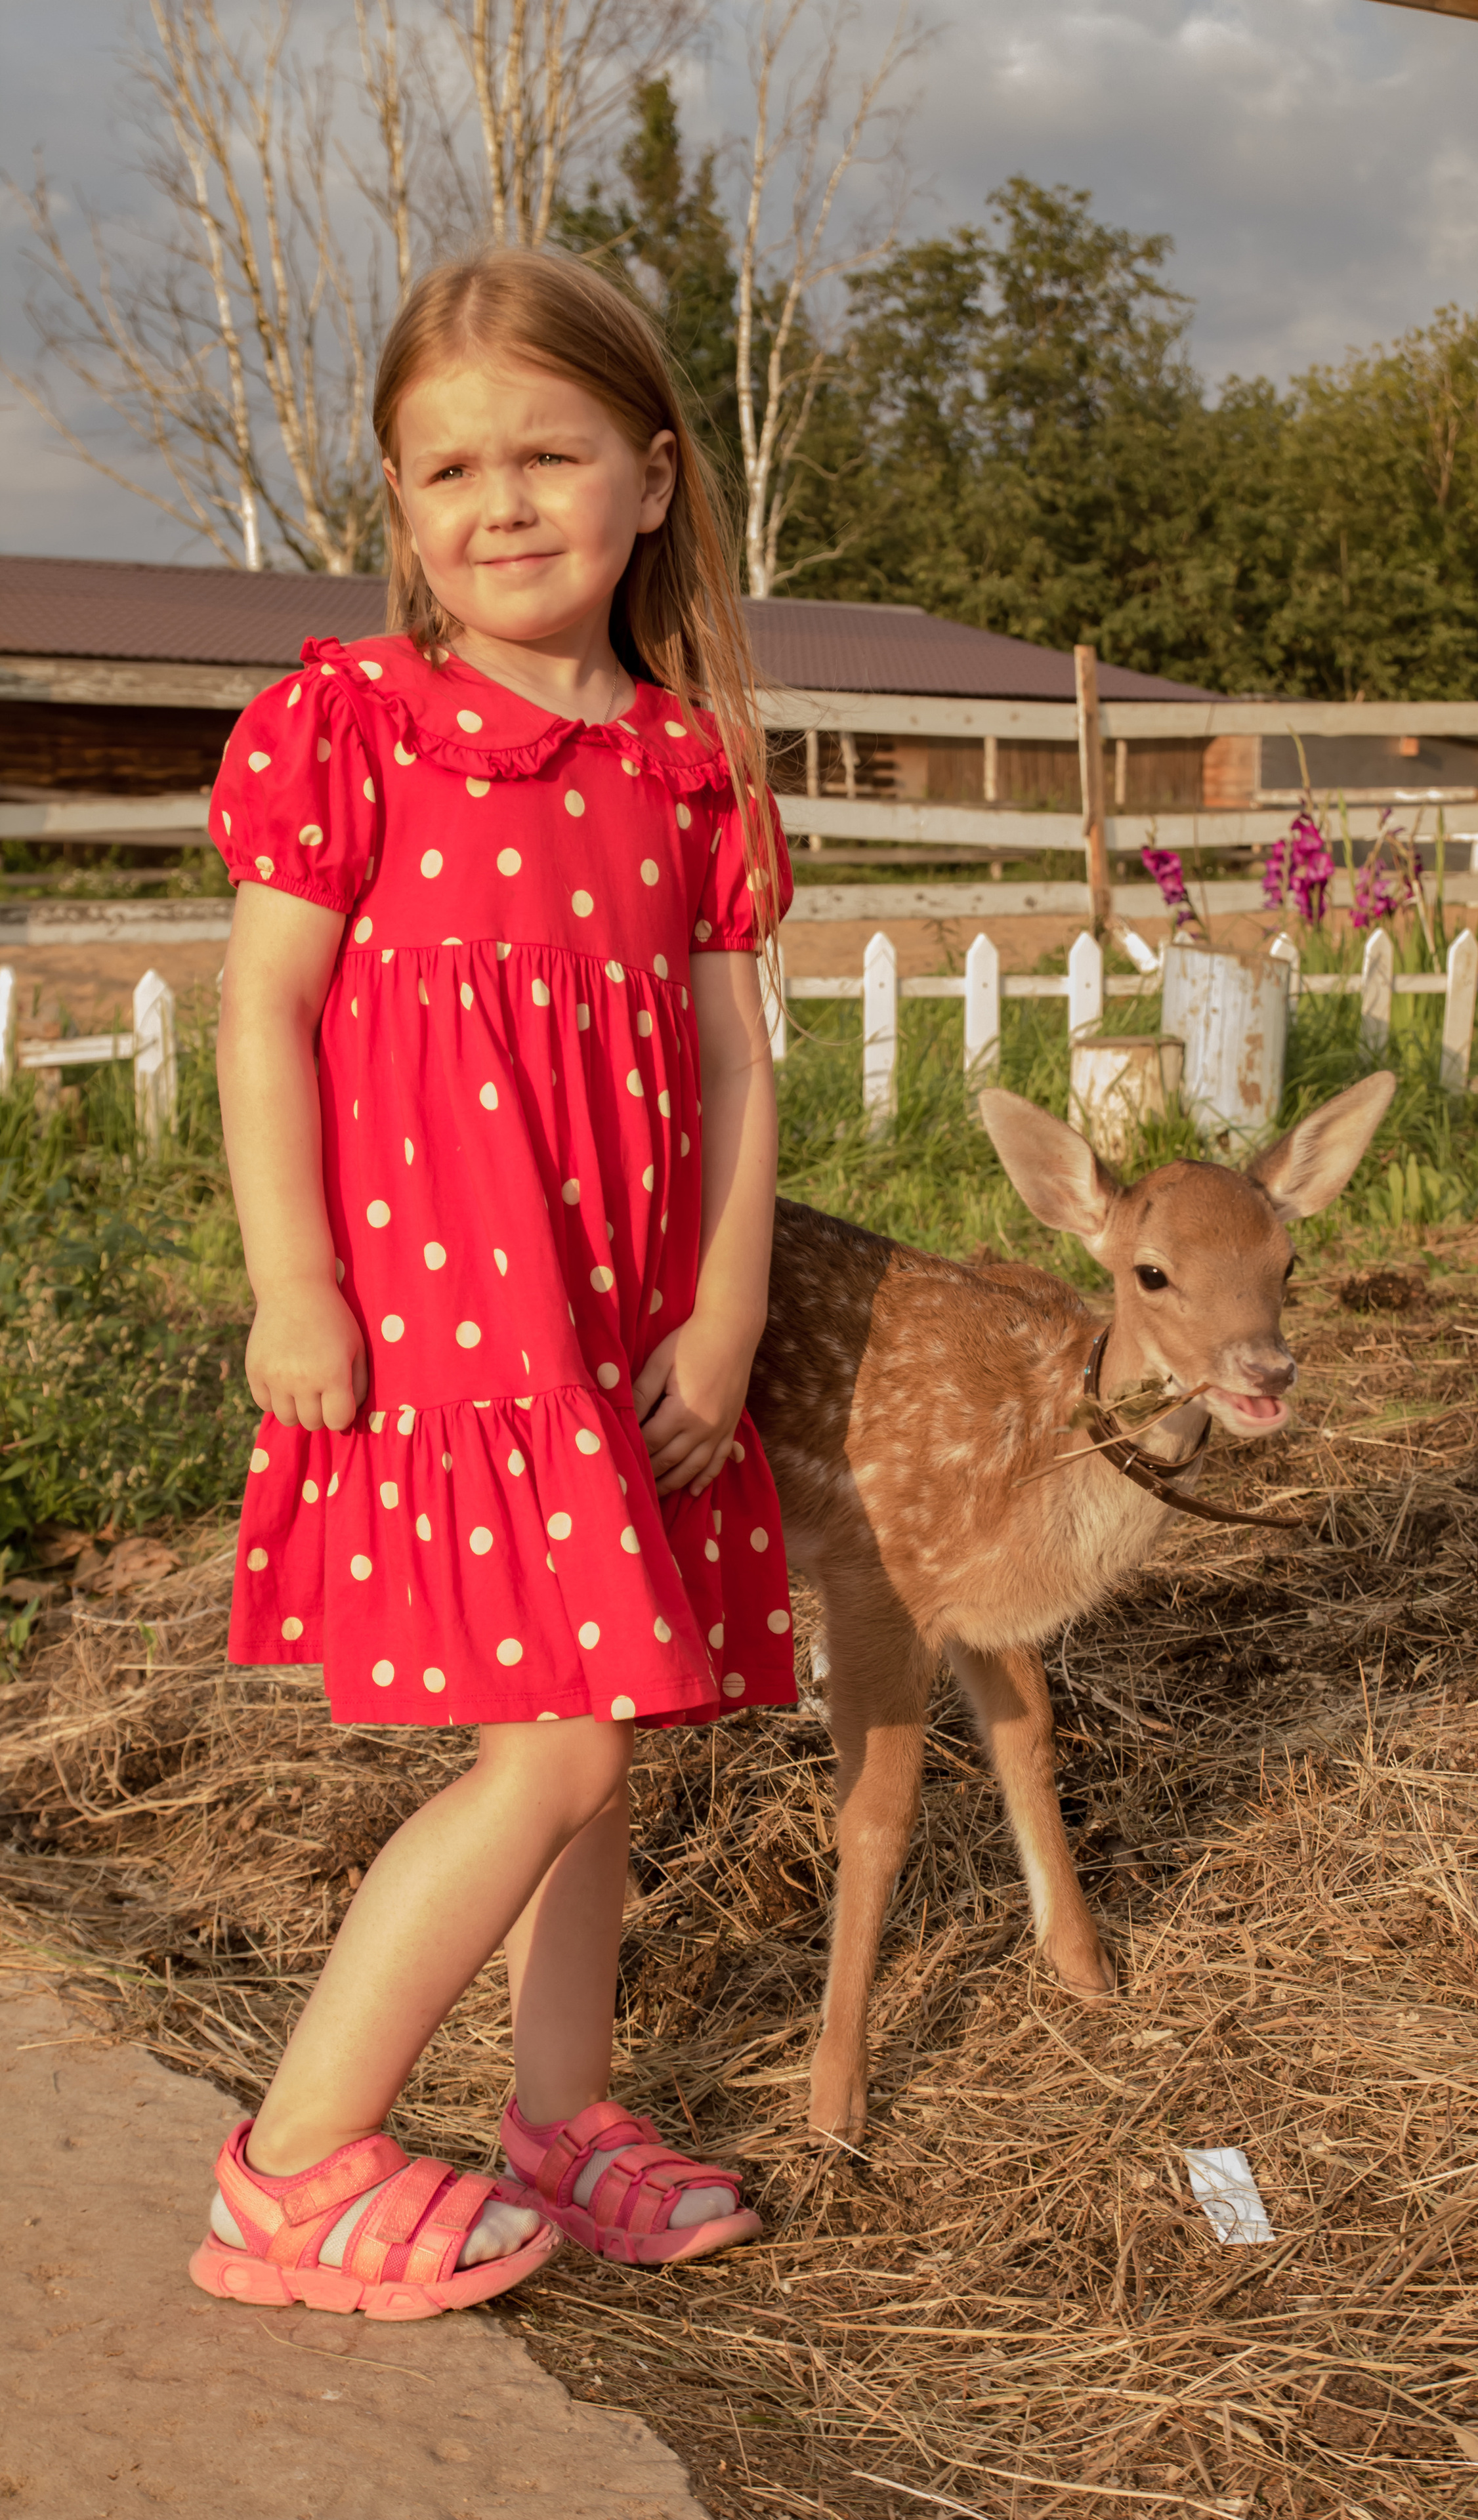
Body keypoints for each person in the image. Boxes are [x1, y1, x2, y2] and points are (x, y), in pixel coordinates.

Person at [190, 245, 795, 2320]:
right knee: (552, 1758)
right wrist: (294, 1284)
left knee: (605, 1731)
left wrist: (725, 1315)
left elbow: (733, 1061)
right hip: (452, 1330)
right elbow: (264, 1013)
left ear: (653, 476)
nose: (503, 503)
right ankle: (293, 2167)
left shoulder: (685, 766)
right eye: (451, 469)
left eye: (549, 455)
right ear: (398, 499)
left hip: (621, 1329)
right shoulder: (356, 727)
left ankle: (558, 2118)